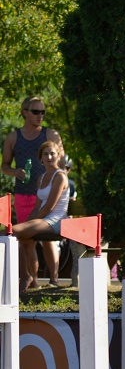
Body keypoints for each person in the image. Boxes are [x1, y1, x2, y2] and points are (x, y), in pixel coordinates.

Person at [2, 96, 65, 288]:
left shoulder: (50, 135)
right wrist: (14, 171)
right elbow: (4, 165)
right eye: (36, 112)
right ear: (24, 112)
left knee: (47, 241)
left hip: (47, 194)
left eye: (43, 112)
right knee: (27, 240)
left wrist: (62, 186)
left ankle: (54, 280)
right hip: (23, 194)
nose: (40, 116)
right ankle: (33, 280)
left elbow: (62, 164)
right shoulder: (14, 137)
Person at [12, 141, 70, 291]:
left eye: (52, 154)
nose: (49, 157)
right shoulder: (41, 178)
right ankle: (31, 279)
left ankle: (50, 279)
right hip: (44, 219)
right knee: (22, 237)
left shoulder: (60, 177)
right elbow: (37, 206)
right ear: (41, 158)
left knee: (11, 231)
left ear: (58, 157)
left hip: (56, 221)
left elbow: (50, 206)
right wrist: (28, 223)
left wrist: (30, 224)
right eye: (46, 154)